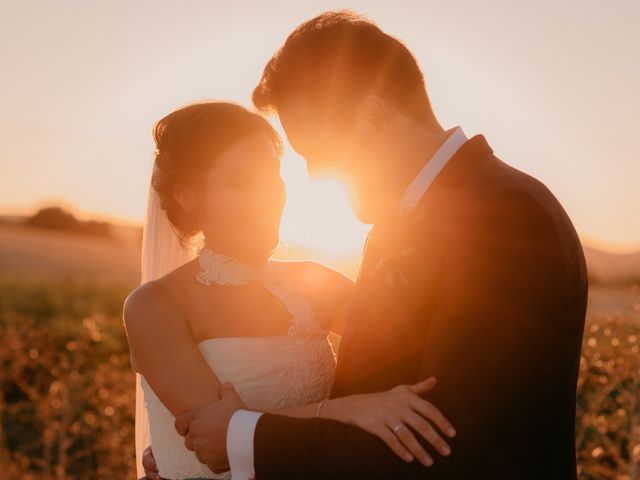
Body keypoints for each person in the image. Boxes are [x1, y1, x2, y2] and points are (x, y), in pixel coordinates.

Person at [173, 11, 588, 479]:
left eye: (318, 153)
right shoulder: (404, 220)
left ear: (373, 118)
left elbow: (442, 440)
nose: (312, 176)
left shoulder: (504, 214)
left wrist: (242, 439)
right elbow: (365, 395)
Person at [125, 101, 457, 479]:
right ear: (188, 196)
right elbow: (216, 440)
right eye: (240, 181)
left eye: (272, 174)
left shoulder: (318, 284)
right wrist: (350, 409)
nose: (267, 194)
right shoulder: (155, 306)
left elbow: (416, 340)